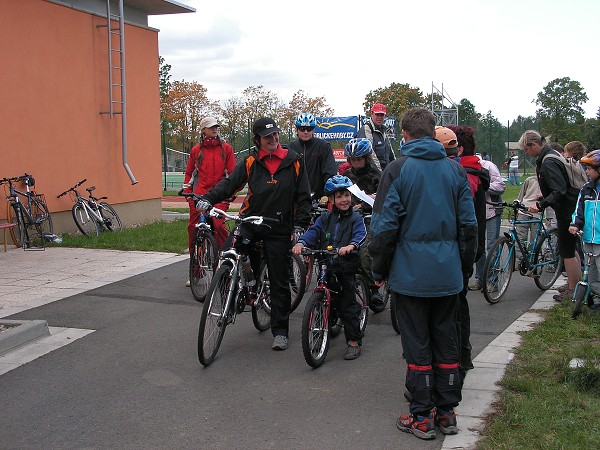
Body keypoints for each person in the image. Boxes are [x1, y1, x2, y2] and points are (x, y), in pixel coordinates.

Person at [369, 108, 478, 441]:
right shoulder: (455, 171)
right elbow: (469, 227)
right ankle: (446, 413)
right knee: (447, 342)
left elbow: (384, 228)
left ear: (403, 134)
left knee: (417, 345)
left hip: (410, 276)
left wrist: (378, 269)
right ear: (433, 132)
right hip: (448, 276)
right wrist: (463, 268)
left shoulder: (397, 170)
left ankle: (420, 416)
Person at [197, 117, 311, 351]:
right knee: (228, 252)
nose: (273, 139)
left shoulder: (294, 161)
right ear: (257, 140)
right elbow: (229, 185)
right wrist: (208, 198)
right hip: (250, 221)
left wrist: (299, 225)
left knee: (279, 280)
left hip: (278, 227)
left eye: (275, 134)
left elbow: (303, 197)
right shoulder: (250, 162)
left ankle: (280, 331)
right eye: (267, 136)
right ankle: (233, 290)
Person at [292, 175, 367, 359]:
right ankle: (322, 328)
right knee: (324, 295)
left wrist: (352, 246)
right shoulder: (325, 218)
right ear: (331, 199)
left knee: (348, 305)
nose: (344, 200)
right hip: (327, 263)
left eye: (347, 195)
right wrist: (301, 243)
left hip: (347, 266)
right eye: (339, 196)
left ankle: (354, 342)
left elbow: (361, 233)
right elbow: (313, 232)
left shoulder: (355, 218)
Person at [440, 125, 490, 379]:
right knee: (458, 306)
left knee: (454, 310)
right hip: (466, 249)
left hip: (459, 251)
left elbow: (462, 221)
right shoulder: (471, 170)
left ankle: (458, 361)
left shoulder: (465, 175)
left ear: (458, 148)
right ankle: (462, 357)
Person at [518, 130, 581, 301]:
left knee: (566, 251)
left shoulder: (548, 161)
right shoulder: (552, 155)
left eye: (526, 149)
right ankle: (576, 282)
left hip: (565, 210)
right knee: (571, 249)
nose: (526, 153)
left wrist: (541, 204)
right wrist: (545, 197)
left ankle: (573, 289)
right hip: (569, 207)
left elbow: (560, 189)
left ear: (534, 144)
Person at [182, 116, 236, 286]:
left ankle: (225, 265)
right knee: (193, 230)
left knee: (219, 227)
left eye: (216, 127)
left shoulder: (226, 149)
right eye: (211, 127)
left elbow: (233, 175)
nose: (214, 129)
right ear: (203, 130)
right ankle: (196, 271)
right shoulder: (196, 150)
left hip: (219, 196)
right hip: (200, 196)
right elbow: (190, 174)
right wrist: (188, 195)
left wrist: (229, 195)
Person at [341, 138, 382, 307]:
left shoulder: (376, 175)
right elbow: (340, 193)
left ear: (366, 158)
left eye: (359, 159)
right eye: (352, 160)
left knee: (365, 252)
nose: (355, 163)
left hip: (370, 217)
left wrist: (366, 203)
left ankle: (374, 289)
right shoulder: (346, 175)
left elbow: (384, 197)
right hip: (349, 217)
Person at [569, 149, 600, 308]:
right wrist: (575, 224)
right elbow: (578, 211)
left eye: (589, 169)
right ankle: (596, 298)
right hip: (588, 237)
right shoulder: (586, 190)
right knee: (592, 270)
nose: (586, 172)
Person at [470, 154, 505, 291]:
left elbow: (500, 186)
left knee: (491, 246)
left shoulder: (488, 166)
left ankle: (492, 281)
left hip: (491, 211)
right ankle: (480, 278)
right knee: (478, 246)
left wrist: (482, 186)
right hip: (476, 212)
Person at [287, 113, 338, 200]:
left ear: (313, 130)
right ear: (297, 130)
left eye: (309, 129)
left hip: (320, 197)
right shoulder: (290, 147)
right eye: (302, 129)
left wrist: (328, 193)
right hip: (296, 197)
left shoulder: (323, 146)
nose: (306, 132)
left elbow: (330, 172)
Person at [356, 103, 395, 170]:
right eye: (377, 114)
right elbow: (370, 153)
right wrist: (380, 173)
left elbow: (391, 153)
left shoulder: (384, 131)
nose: (379, 117)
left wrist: (395, 169)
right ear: (372, 114)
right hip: (371, 174)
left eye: (382, 115)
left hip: (384, 172)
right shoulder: (367, 129)